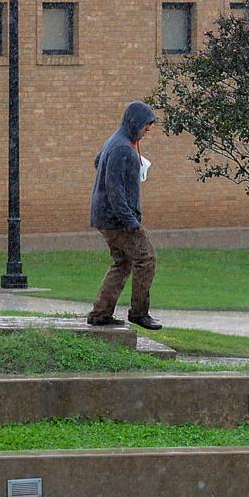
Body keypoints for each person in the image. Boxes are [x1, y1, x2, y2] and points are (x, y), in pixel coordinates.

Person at [86, 100, 162, 330]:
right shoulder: (122, 149)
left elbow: (98, 160)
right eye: (146, 124)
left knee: (123, 262)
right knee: (146, 258)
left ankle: (100, 313)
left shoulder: (116, 141)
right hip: (117, 219)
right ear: (134, 122)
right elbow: (114, 190)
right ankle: (139, 313)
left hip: (104, 217)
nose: (148, 129)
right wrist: (131, 222)